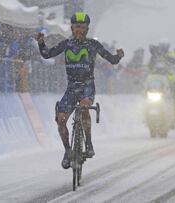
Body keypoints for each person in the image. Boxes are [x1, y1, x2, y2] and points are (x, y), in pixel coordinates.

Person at [36, 12, 124, 169]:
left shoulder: (93, 45)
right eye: (77, 27)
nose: (79, 30)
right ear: (71, 28)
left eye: (82, 27)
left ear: (87, 29)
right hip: (71, 87)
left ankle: (88, 143)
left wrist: (118, 56)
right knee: (61, 119)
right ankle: (68, 151)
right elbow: (47, 55)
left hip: (87, 86)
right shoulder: (66, 44)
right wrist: (41, 43)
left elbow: (111, 59)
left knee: (84, 107)